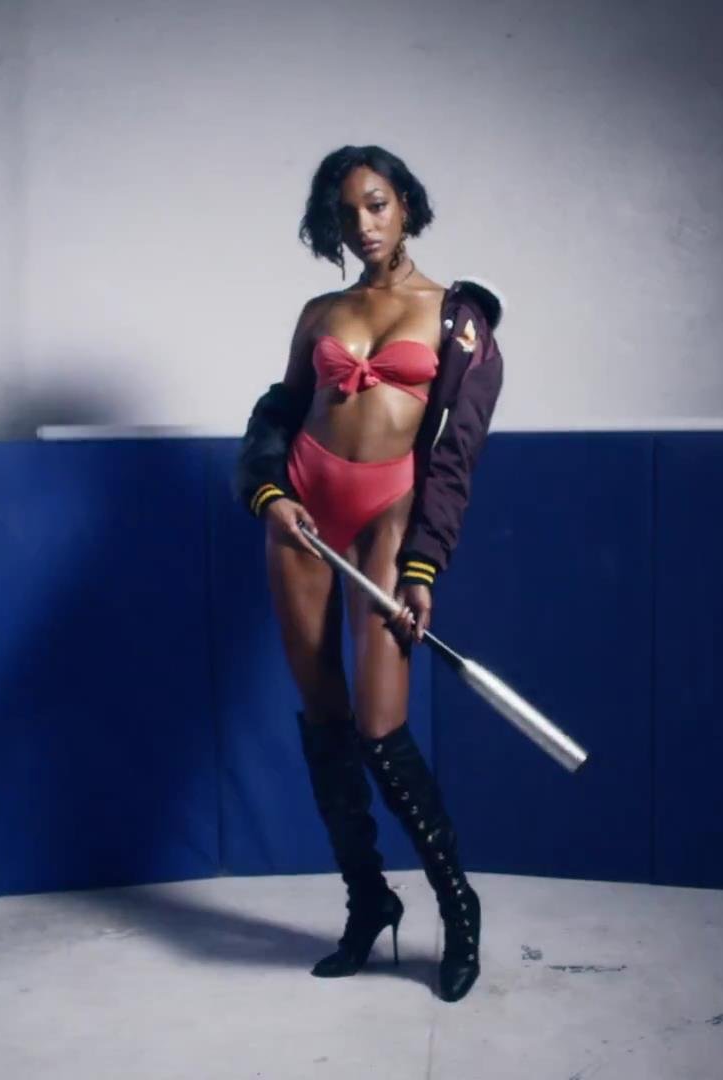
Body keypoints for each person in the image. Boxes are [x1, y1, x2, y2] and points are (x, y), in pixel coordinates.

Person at [234, 144, 504, 1003]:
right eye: (347, 210)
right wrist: (271, 494)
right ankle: (368, 901)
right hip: (304, 508)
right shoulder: (321, 311)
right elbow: (279, 411)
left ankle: (457, 907)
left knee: (382, 729)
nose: (364, 224)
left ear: (406, 205)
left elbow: (454, 458)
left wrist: (424, 568)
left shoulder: (458, 319)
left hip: (391, 509)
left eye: (378, 203)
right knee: (325, 722)